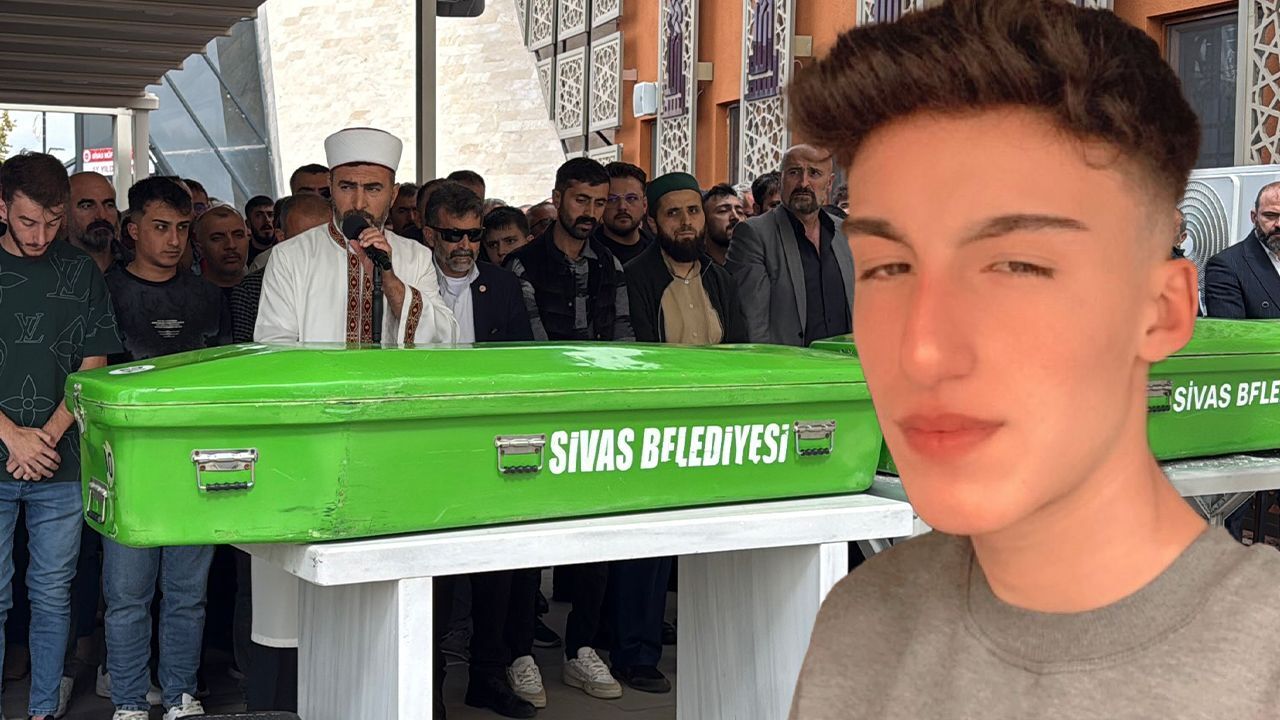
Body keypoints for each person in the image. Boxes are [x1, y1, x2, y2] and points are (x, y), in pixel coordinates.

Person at [784, 1, 1280, 718]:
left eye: (1016, 265)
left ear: (1163, 310)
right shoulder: (859, 625)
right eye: (887, 267)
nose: (922, 350)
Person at [612, 173, 747, 696]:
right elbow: (635, 358)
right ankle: (635, 653)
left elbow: (740, 350)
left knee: (712, 544)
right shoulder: (633, 276)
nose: (686, 222)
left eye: (693, 211)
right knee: (646, 549)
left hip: (715, 430)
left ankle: (710, 642)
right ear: (653, 220)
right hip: (655, 429)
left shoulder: (720, 277)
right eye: (674, 213)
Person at [102, 177, 230, 720]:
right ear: (132, 229)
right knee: (127, 595)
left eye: (181, 228)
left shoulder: (207, 295)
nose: (173, 240)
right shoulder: (106, 290)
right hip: (130, 463)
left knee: (187, 593)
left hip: (195, 457)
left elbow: (224, 377)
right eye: (160, 227)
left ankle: (181, 694)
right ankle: (129, 701)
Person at [0, 152, 121, 720]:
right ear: (2, 207)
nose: (40, 236)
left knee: (52, 594)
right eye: (28, 221)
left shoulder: (81, 270)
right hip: (13, 454)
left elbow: (93, 366)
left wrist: (43, 439)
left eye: (52, 222)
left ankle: (42, 709)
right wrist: (14, 438)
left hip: (61, 461)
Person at [506, 158, 630, 702]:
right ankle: (519, 654)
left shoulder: (610, 263)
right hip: (541, 414)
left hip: (598, 415)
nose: (591, 213)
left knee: (598, 539)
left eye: (600, 203)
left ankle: (583, 649)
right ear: (557, 198)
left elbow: (623, 337)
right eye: (582, 200)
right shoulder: (523, 264)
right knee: (529, 542)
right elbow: (535, 349)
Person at [423, 183, 539, 718]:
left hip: (490, 442)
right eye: (453, 235)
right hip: (430, 445)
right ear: (430, 234)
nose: (465, 246)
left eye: (473, 236)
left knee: (497, 567)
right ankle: (429, 686)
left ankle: (487, 677)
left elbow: (521, 365)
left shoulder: (502, 285)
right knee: (436, 575)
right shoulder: (412, 284)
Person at [729, 145, 853, 347]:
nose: (803, 183)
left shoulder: (846, 233)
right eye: (794, 172)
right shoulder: (754, 235)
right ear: (781, 179)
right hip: (786, 364)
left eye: (814, 173)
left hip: (843, 364)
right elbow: (753, 324)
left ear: (829, 183)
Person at [1204, 181, 1280, 319]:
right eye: (1270, 215)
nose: (1278, 224)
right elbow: (1230, 331)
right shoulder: (1226, 266)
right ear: (1254, 217)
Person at [592, 162, 654, 266]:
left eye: (631, 198)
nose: (622, 207)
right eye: (612, 199)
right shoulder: (585, 253)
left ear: (644, 205)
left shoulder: (659, 253)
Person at [67, 171, 122, 273]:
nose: (102, 215)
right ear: (64, 214)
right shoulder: (49, 271)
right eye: (87, 206)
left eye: (109, 205)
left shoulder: (138, 269)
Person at [194, 205, 249, 298]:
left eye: (238, 235)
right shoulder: (186, 297)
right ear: (200, 248)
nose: (231, 245)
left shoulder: (266, 288)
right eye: (217, 238)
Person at [701, 183, 746, 267]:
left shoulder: (753, 265)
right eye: (723, 211)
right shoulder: (696, 270)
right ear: (704, 221)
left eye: (740, 212)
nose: (735, 217)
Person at [244, 195, 275, 267]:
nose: (267, 220)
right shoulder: (243, 256)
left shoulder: (284, 247)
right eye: (259, 215)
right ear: (248, 223)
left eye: (270, 215)